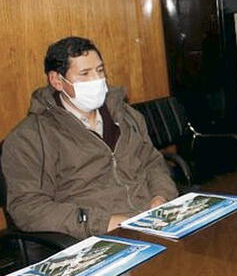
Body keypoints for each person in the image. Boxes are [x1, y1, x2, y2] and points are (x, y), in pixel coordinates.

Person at [1, 37, 178, 240]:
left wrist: (161, 196)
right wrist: (102, 223)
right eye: (85, 74)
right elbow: (28, 208)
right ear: (57, 81)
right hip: (95, 237)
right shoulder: (29, 138)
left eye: (100, 71)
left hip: (153, 222)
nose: (97, 80)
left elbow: (152, 162)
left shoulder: (125, 115)